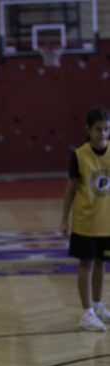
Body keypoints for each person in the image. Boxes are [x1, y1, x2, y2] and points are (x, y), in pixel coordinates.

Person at [60, 107, 110, 331]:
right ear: (88, 129)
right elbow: (70, 190)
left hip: (106, 222)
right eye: (98, 129)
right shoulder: (79, 155)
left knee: (101, 264)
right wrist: (64, 219)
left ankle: (98, 305)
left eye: (107, 129)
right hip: (85, 222)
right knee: (86, 265)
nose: (103, 134)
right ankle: (86, 312)